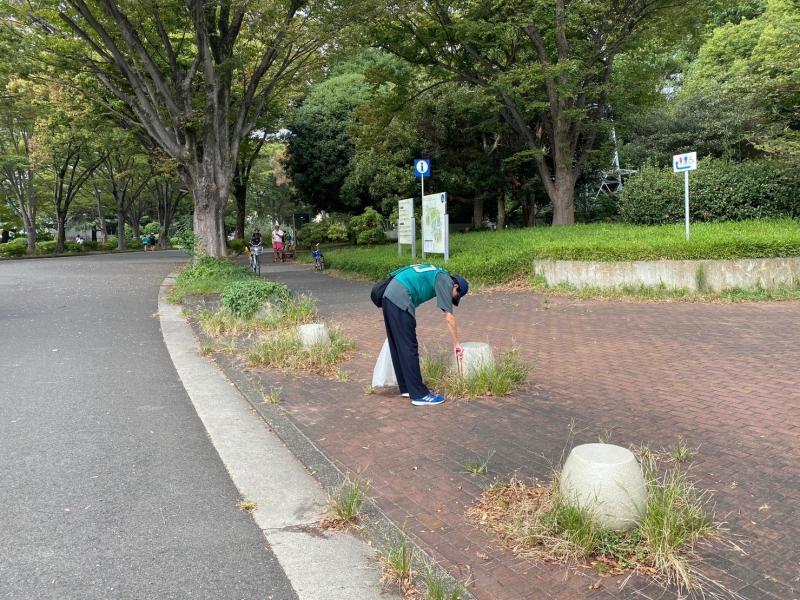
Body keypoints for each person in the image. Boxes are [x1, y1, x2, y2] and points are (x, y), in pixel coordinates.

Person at [378, 264, 469, 407]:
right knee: (409, 346)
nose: (453, 299)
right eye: (456, 296)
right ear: (456, 286)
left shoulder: (436, 272)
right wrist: (457, 344)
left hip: (389, 296)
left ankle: (407, 387)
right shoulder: (446, 280)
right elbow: (449, 317)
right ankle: (419, 395)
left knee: (398, 344)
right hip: (400, 297)